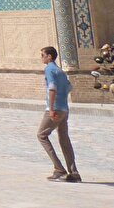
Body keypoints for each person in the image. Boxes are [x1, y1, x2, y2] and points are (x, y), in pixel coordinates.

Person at [38, 46, 80, 182]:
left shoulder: (49, 69)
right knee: (64, 139)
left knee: (41, 135)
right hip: (64, 109)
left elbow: (52, 88)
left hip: (55, 109)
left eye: (43, 55)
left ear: (49, 56)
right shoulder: (61, 71)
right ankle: (73, 172)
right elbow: (69, 87)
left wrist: (51, 108)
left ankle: (59, 169)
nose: (41, 57)